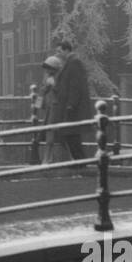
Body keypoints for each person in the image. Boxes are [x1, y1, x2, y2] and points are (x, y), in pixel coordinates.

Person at [44, 42, 93, 172]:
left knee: (71, 134)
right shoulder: (70, 63)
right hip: (68, 106)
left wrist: (71, 104)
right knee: (70, 134)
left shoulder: (74, 63)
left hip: (71, 107)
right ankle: (79, 161)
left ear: (66, 50)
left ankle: (80, 162)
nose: (57, 54)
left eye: (59, 51)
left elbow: (75, 85)